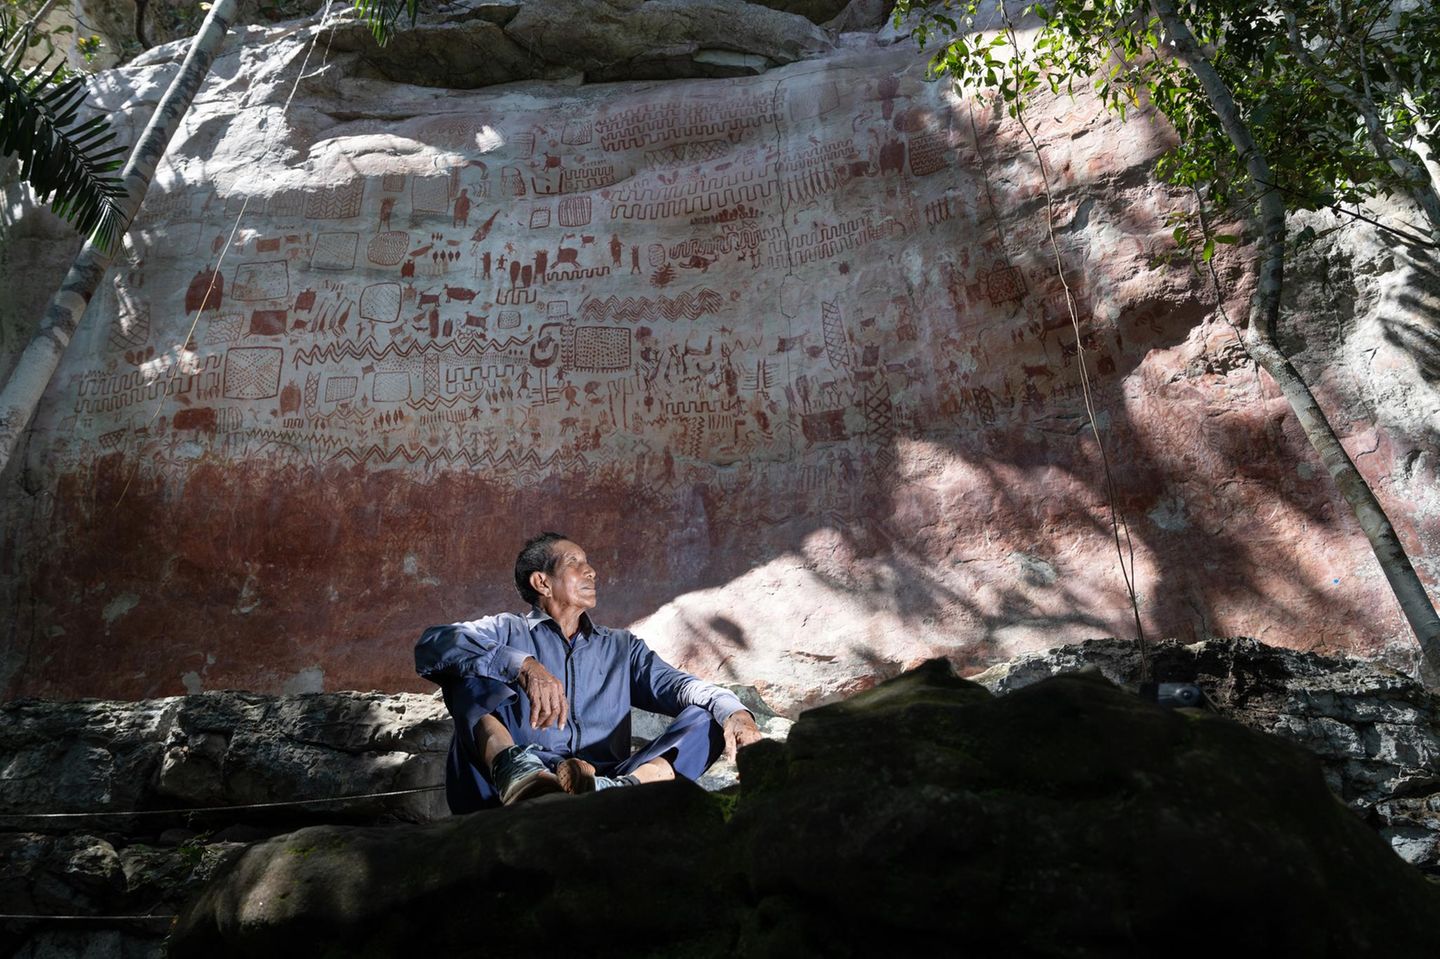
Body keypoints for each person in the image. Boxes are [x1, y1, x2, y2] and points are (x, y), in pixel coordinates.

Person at [416, 532, 763, 811]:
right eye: (575, 563)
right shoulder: (504, 630)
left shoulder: (621, 647)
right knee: (464, 667)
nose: (591, 571)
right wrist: (522, 665)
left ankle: (622, 790)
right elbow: (433, 643)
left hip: (602, 781)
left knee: (708, 715)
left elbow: (684, 687)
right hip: (501, 786)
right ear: (542, 582)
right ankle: (517, 771)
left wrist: (735, 713)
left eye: (588, 564)